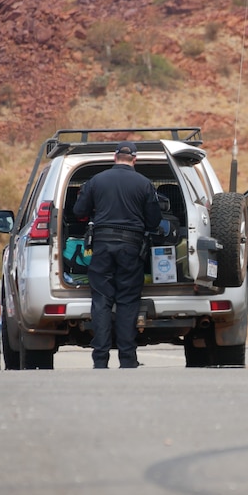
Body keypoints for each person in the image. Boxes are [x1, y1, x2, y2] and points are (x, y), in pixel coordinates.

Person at [74, 141, 162, 369]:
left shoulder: (96, 181)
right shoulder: (144, 184)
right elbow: (153, 222)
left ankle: (100, 360)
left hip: (102, 246)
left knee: (101, 301)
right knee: (127, 301)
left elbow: (79, 212)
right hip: (131, 248)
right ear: (135, 160)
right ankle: (127, 359)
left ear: (115, 158)